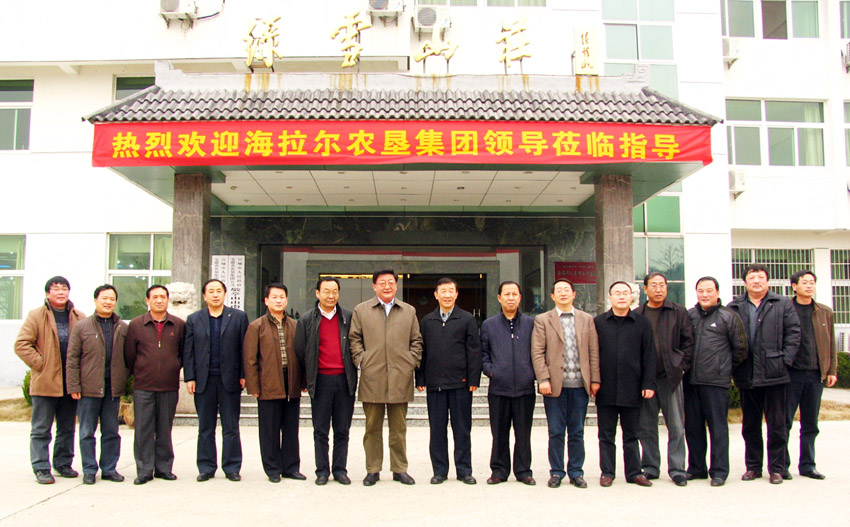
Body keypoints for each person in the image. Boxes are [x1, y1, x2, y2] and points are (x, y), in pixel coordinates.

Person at [728, 264, 800, 484]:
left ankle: (777, 468)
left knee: (777, 425)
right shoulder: (735, 306)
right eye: (752, 278)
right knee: (750, 426)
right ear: (745, 282)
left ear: (767, 281)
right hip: (747, 374)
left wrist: (784, 361)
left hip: (775, 374)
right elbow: (728, 338)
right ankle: (753, 467)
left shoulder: (782, 304)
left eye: (761, 277)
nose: (756, 281)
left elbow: (794, 334)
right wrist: (734, 365)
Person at [350, 269, 423, 486]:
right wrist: (362, 361)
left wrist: (410, 361)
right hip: (372, 377)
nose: (387, 286)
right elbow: (354, 339)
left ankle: (400, 469)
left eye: (391, 282)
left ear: (396, 285)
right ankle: (373, 469)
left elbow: (416, 341)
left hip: (400, 377)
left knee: (399, 428)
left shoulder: (408, 311)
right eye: (382, 283)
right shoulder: (362, 310)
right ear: (374, 286)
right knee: (372, 428)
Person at [15, 276, 85, 484]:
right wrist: (41, 364)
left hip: (70, 383)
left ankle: (63, 463)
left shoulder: (79, 316)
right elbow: (22, 345)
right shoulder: (36, 315)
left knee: (67, 428)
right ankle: (41, 467)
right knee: (41, 429)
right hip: (46, 382)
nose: (61, 292)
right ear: (48, 293)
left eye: (64, 288)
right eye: (56, 289)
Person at [531, 279, 600, 489]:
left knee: (577, 432)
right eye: (558, 290)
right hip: (554, 386)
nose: (563, 293)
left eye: (566, 290)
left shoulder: (587, 319)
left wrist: (595, 379)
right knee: (556, 431)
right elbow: (537, 352)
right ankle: (557, 472)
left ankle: (576, 472)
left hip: (580, 385)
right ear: (552, 296)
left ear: (573, 294)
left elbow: (593, 351)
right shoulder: (543, 320)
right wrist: (543, 378)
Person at [416, 277, 482, 485]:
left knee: (462, 430)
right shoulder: (427, 321)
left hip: (461, 384)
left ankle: (464, 470)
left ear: (456, 294)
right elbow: (422, 352)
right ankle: (439, 471)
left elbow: (474, 351)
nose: (447, 295)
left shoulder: (466, 319)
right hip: (435, 385)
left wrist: (473, 378)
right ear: (436, 295)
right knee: (437, 430)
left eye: (450, 291)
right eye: (443, 291)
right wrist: (420, 377)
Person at [184, 279, 249, 482]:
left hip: (230, 380)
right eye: (211, 291)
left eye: (218, 291)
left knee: (231, 427)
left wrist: (244, 374)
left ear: (224, 294)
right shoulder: (194, 319)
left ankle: (232, 467)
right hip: (204, 381)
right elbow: (188, 351)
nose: (215, 294)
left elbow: (245, 349)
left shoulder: (238, 317)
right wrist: (189, 377)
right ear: (204, 296)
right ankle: (206, 467)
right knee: (205, 427)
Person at [294, 277, 357, 486]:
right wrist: (307, 379)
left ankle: (340, 470)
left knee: (342, 430)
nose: (331, 295)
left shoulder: (348, 317)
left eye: (335, 291)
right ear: (317, 293)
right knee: (320, 430)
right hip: (320, 381)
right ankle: (322, 471)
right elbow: (300, 351)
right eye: (326, 291)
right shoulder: (307, 319)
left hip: (344, 380)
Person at [685, 276, 747, 487]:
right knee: (693, 428)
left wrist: (725, 368)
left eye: (709, 290)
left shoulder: (728, 316)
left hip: (716, 383)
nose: (705, 294)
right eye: (701, 291)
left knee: (718, 429)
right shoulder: (690, 316)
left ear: (717, 293)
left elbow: (741, 349)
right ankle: (696, 468)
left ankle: (719, 471)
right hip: (691, 382)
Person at [634, 272, 694, 486]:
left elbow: (688, 342)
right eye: (653, 285)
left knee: (676, 425)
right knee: (646, 426)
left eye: (662, 285)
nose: (658, 289)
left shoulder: (678, 311)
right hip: (646, 380)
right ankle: (650, 466)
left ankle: (677, 469)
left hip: (671, 377)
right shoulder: (638, 314)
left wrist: (681, 366)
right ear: (645, 289)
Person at [594, 281, 656, 487]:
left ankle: (634, 472)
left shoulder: (642, 323)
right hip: (606, 387)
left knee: (632, 434)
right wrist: (593, 381)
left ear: (631, 297)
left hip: (633, 387)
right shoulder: (599, 323)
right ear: (610, 297)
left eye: (625, 293)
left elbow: (649, 355)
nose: (621, 297)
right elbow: (592, 355)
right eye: (617, 293)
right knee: (606, 434)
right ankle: (607, 472)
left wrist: (648, 384)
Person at [66, 284, 129, 485]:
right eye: (104, 298)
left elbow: (129, 358)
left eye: (112, 299)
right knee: (87, 432)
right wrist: (74, 386)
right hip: (88, 389)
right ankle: (89, 469)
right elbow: (72, 358)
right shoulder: (82, 326)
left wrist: (125, 382)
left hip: (112, 389)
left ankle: (109, 469)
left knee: (111, 432)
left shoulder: (123, 328)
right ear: (95, 300)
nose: (108, 302)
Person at [243, 282, 305, 483]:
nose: (278, 301)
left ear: (287, 300)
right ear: (266, 301)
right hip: (268, 384)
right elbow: (250, 359)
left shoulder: (295, 325)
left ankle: (291, 467)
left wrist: (303, 381)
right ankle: (272, 469)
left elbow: (303, 356)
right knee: (269, 430)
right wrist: (253, 386)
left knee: (291, 429)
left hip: (291, 382)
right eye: (274, 297)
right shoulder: (256, 326)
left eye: (282, 297)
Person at [124, 284, 185, 485]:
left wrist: (173, 367)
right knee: (143, 429)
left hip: (169, 385)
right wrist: (141, 371)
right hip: (144, 385)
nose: (159, 300)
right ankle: (144, 469)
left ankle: (164, 468)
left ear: (168, 300)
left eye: (163, 297)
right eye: (155, 297)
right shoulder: (136, 324)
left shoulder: (178, 325)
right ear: (147, 300)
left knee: (165, 429)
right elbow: (130, 355)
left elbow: (182, 353)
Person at [481, 281, 536, 486]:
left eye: (514, 294)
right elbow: (483, 354)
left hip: (524, 388)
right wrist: (491, 371)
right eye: (507, 294)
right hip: (499, 388)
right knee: (499, 433)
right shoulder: (489, 325)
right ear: (499, 298)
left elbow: (538, 351)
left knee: (523, 433)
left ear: (520, 298)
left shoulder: (531, 324)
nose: (510, 298)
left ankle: (523, 471)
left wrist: (531, 373)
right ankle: (499, 470)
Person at [785, 270, 837, 480]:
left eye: (812, 282)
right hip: (790, 375)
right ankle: (781, 465)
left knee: (810, 424)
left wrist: (831, 370)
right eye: (804, 282)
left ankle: (808, 465)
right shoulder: (785, 309)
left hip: (815, 376)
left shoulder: (824, 312)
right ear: (794, 286)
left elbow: (831, 343)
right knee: (784, 422)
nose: (809, 286)